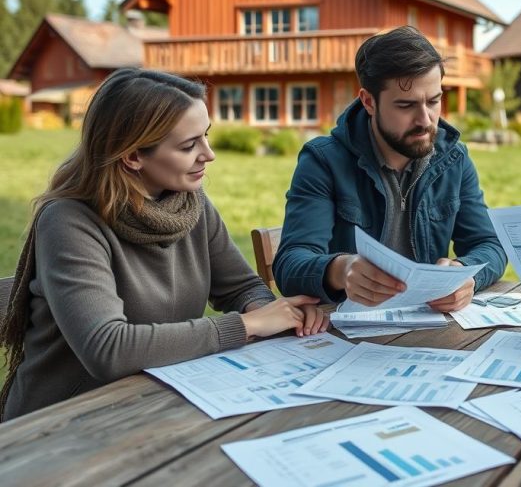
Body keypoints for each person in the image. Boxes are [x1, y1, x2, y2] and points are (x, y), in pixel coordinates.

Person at [0, 68, 327, 421]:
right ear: (132, 156)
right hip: (59, 424)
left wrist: (279, 314)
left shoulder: (190, 205)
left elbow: (241, 287)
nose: (209, 154)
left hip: (153, 402)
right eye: (189, 145)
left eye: (206, 136)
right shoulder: (69, 222)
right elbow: (108, 348)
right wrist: (248, 326)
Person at [273, 26, 506, 311]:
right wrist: (340, 269)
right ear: (369, 101)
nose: (425, 120)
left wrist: (465, 273)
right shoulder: (323, 161)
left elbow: (490, 246)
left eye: (434, 101)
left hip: (429, 330)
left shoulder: (453, 159)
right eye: (406, 106)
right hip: (345, 337)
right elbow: (289, 265)